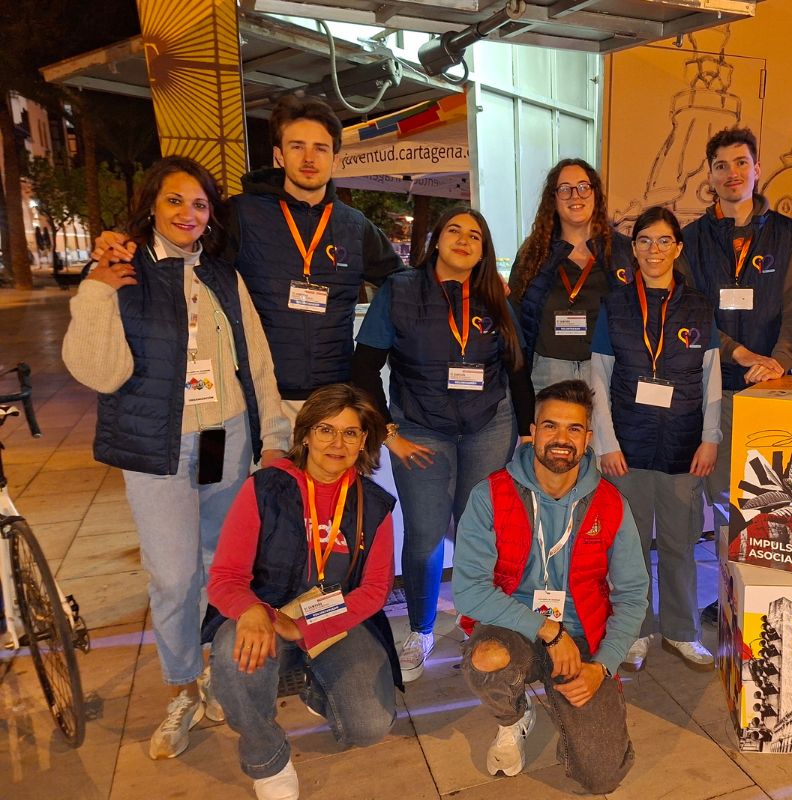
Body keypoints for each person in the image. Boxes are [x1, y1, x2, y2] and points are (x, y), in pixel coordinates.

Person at [62, 155, 290, 759]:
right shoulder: (122, 270)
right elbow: (98, 372)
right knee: (171, 575)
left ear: (211, 215)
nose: (188, 214)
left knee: (219, 565)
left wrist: (273, 437)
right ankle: (182, 686)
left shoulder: (221, 276)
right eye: (175, 201)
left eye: (199, 204)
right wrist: (97, 288)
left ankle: (213, 670)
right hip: (157, 445)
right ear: (151, 206)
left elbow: (256, 361)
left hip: (224, 437)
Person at [92, 94, 400, 421]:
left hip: (333, 397)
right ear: (279, 155)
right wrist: (128, 241)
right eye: (297, 146)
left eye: (320, 148)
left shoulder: (355, 226)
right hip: (258, 394)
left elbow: (402, 285)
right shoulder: (241, 214)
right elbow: (181, 250)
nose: (309, 158)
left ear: (335, 159)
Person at [351, 206, 535, 683]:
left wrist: (528, 430)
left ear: (483, 250)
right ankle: (421, 629)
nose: (463, 240)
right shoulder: (400, 291)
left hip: (488, 425)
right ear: (436, 240)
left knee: (479, 531)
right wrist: (389, 436)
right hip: (420, 429)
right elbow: (364, 367)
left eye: (475, 235)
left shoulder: (494, 296)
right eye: (454, 230)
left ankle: (480, 622)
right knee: (425, 534)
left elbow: (516, 367)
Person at [452, 379, 648, 793]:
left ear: (588, 438)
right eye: (550, 426)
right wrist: (548, 630)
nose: (561, 438)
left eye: (573, 428)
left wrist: (603, 666)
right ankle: (513, 717)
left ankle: (577, 718)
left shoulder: (611, 504)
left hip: (582, 635)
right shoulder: (490, 495)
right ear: (533, 432)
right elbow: (468, 591)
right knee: (487, 658)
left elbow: (633, 595)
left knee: (601, 777)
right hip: (514, 625)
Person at [206, 384, 400, 800]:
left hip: (335, 619)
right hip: (268, 613)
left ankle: (316, 683)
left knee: (370, 726)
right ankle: (267, 759)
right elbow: (224, 576)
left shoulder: (374, 504)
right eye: (326, 430)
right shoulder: (266, 489)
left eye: (350, 433)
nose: (337, 443)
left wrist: (307, 627)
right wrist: (251, 611)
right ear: (306, 434)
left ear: (363, 441)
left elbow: (374, 590)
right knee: (233, 656)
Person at [678, 126, 792, 624]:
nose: (732, 173)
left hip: (769, 392)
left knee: (771, 502)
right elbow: (690, 312)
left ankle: (767, 600)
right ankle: (729, 597)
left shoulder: (787, 232)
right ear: (710, 175)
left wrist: (778, 361)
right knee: (722, 505)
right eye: (721, 166)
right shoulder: (692, 239)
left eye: (741, 163)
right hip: (712, 389)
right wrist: (736, 353)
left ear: (757, 169)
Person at [589, 206, 721, 670]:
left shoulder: (700, 306)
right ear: (634, 248)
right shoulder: (615, 305)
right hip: (628, 447)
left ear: (678, 248)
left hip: (684, 447)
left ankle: (682, 632)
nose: (654, 250)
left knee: (680, 543)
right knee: (630, 547)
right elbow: (598, 378)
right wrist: (606, 443)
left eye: (664, 240)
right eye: (644, 240)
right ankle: (636, 631)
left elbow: (711, 378)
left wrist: (710, 438)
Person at [509, 159, 634, 392]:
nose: (575, 195)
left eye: (583, 187)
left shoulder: (622, 251)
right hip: (546, 373)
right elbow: (515, 317)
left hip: (605, 372)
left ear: (595, 194)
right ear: (553, 199)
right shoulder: (532, 253)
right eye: (565, 189)